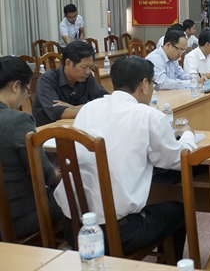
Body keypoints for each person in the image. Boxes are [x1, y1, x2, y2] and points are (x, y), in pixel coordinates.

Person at [54, 56, 196, 259]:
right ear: (144, 84)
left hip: (74, 227)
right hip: (118, 234)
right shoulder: (148, 116)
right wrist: (188, 135)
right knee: (178, 212)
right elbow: (176, 160)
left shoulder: (89, 109)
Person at [0, 56, 63, 240]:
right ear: (15, 86)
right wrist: (64, 174)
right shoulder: (16, 121)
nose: (26, 97)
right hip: (19, 218)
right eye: (28, 91)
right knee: (77, 194)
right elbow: (47, 176)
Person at [32, 41, 108, 126]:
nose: (88, 72)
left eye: (90, 67)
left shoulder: (86, 77)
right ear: (68, 63)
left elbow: (105, 101)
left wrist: (73, 108)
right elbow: (57, 112)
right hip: (48, 132)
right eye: (84, 67)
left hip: (77, 128)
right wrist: (90, 107)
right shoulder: (47, 80)